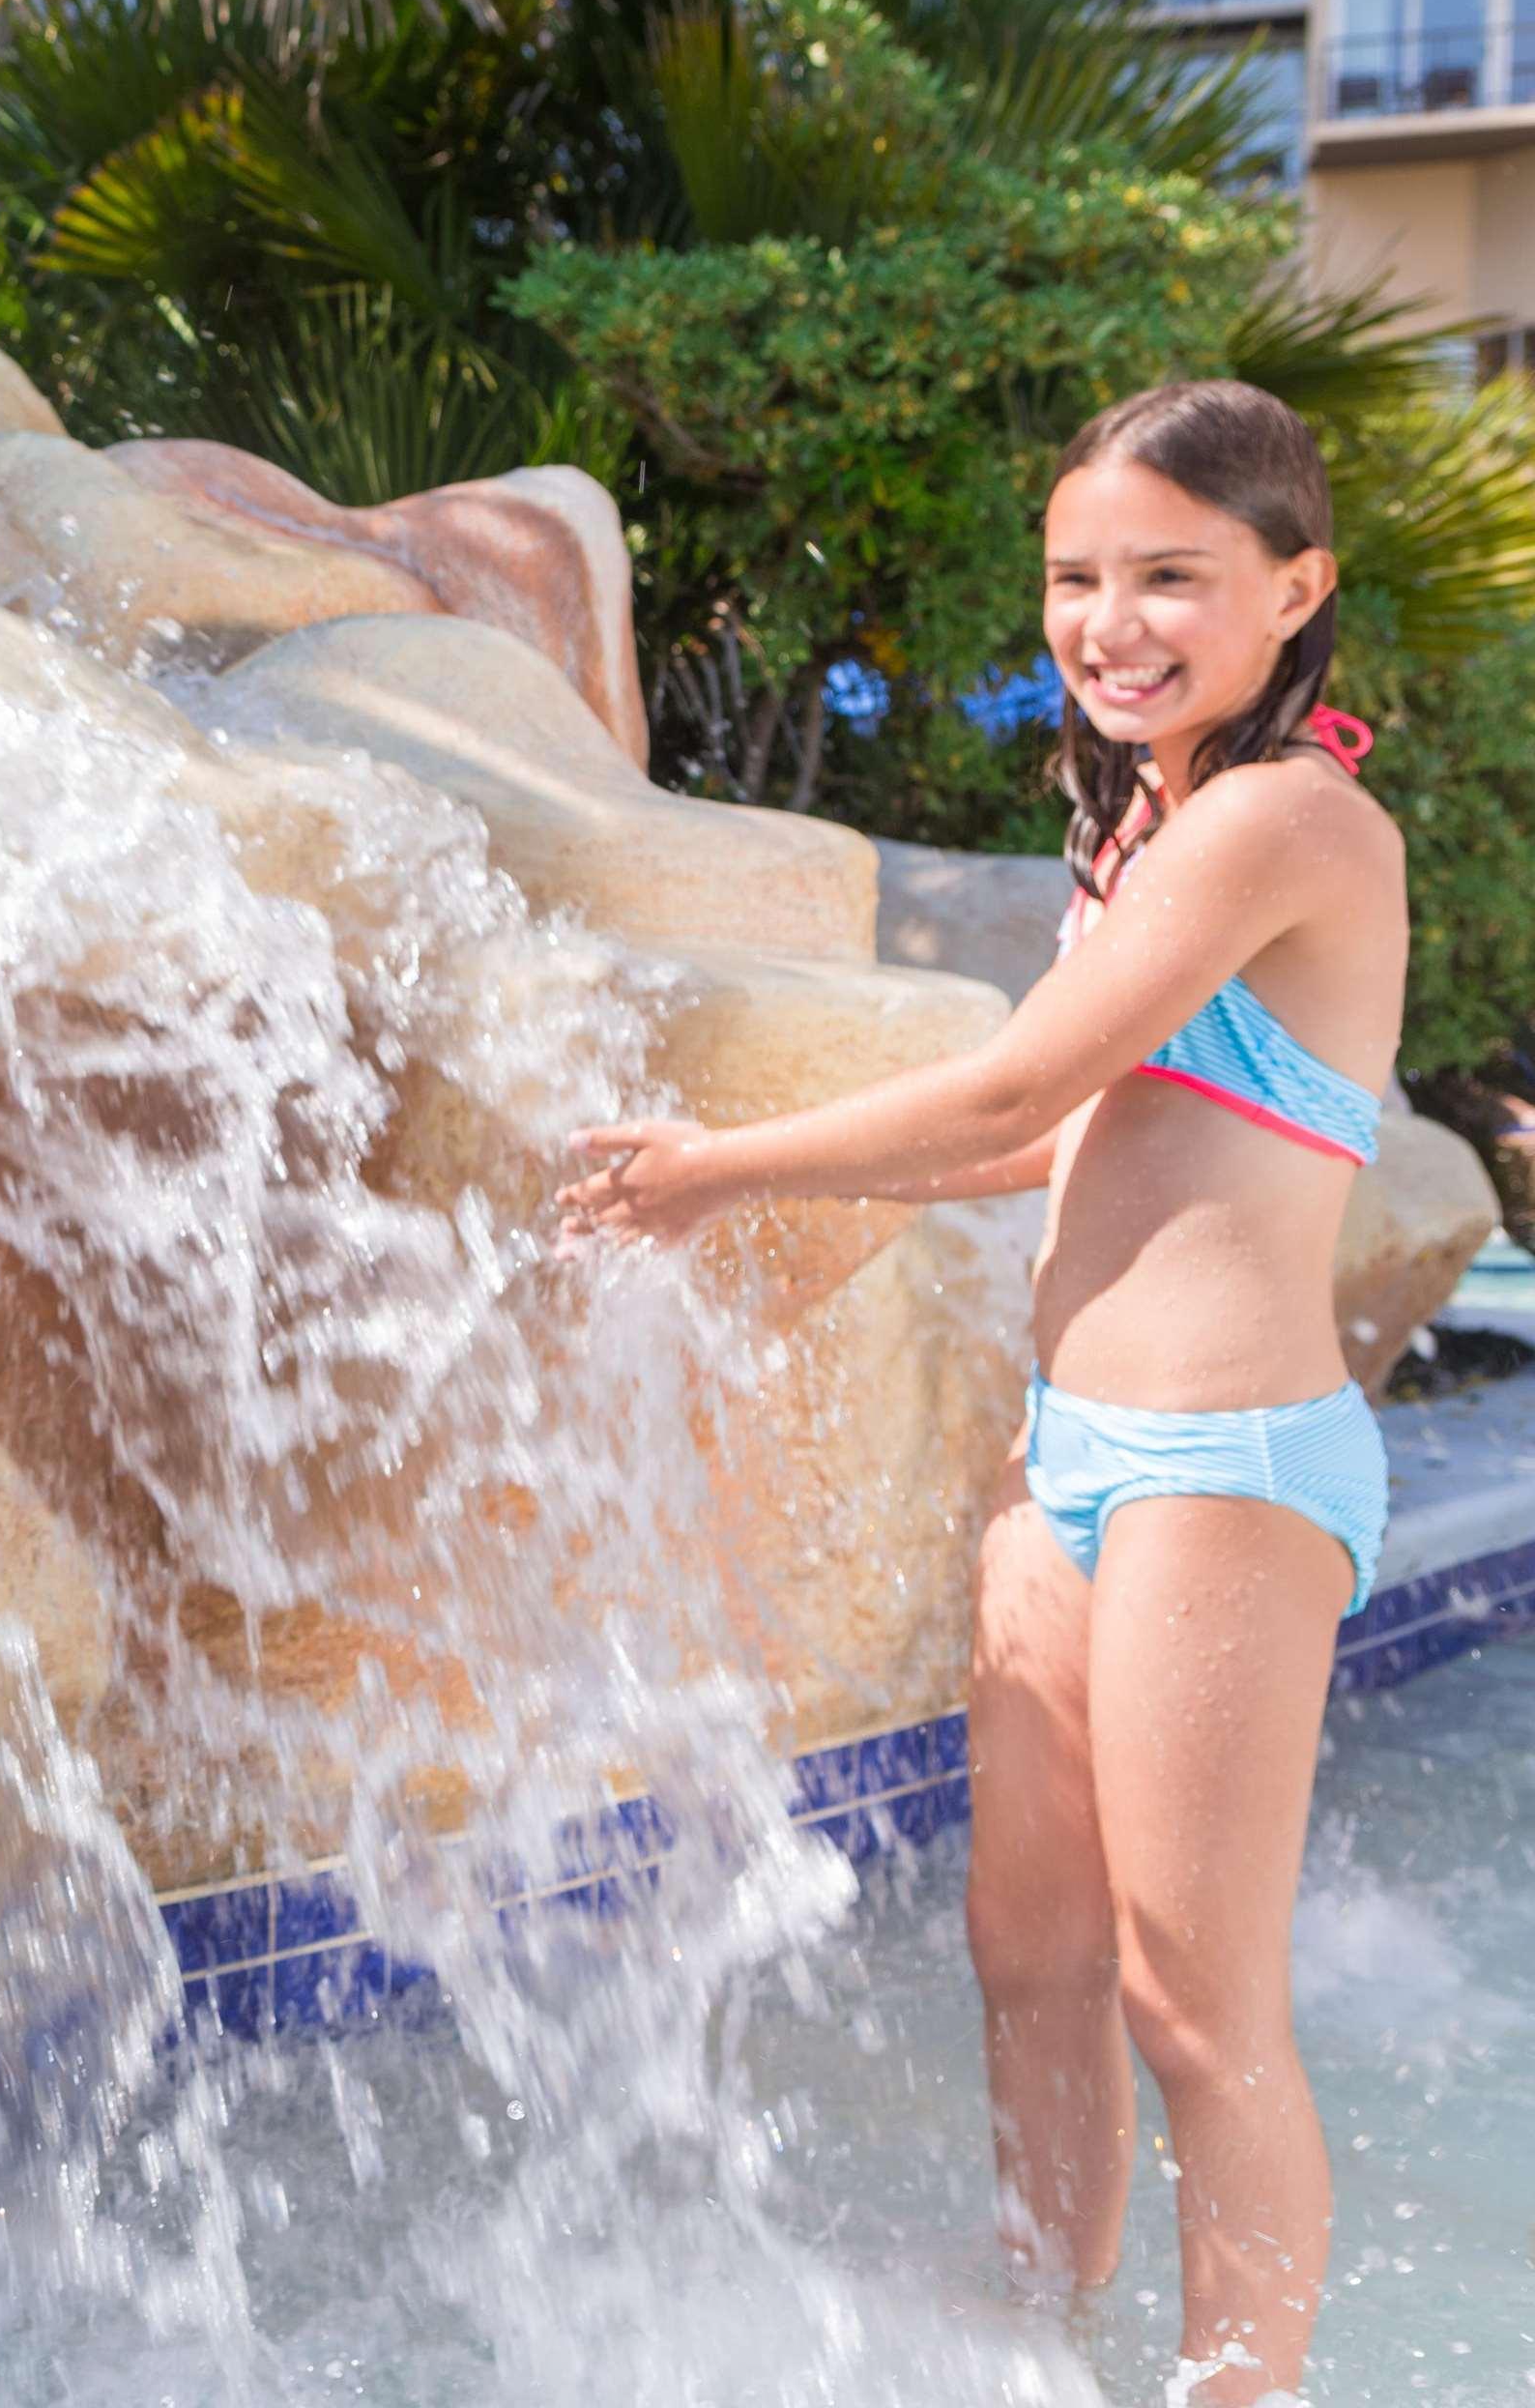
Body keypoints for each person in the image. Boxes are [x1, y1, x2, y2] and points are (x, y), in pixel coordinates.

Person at [559, 380, 1400, 2405]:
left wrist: (717, 1164)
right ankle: (1038, 2313)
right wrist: (739, 1204)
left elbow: (1018, 1079)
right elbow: (1052, 1139)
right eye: (1076, 577)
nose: (1110, 619)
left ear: (1297, 586)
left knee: (1195, 2005)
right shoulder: (1149, 821)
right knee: (1027, 1949)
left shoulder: (1291, 822)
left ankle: (1244, 2385)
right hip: (1074, 1458)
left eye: (1170, 577)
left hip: (1226, 1462)